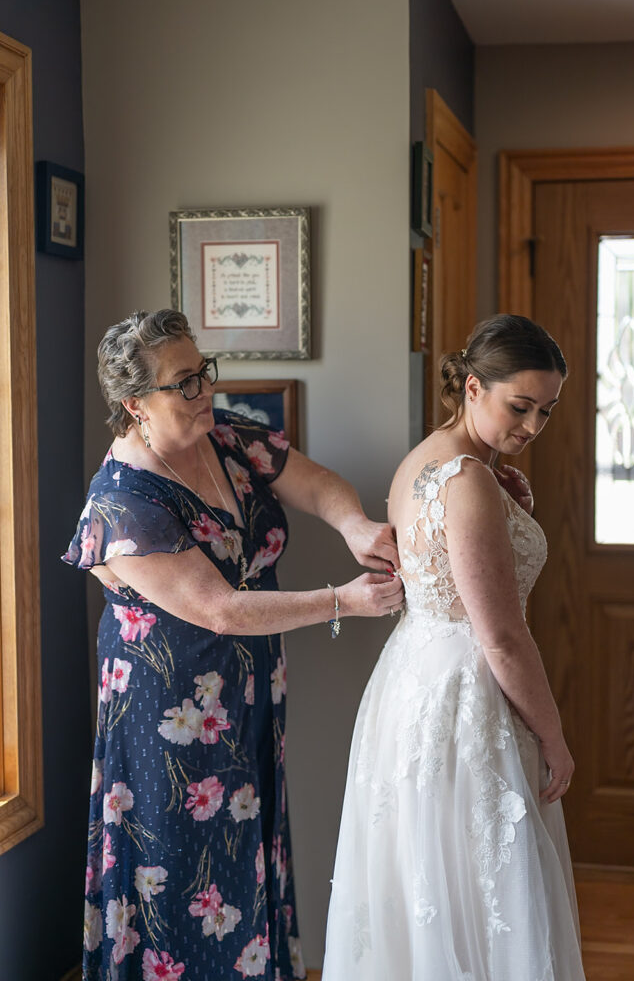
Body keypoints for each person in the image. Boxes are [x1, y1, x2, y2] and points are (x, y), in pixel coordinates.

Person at [63, 309, 405, 981]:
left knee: (248, 855)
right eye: (183, 384)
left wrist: (354, 524)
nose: (204, 393)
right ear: (135, 404)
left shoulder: (223, 439)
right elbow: (218, 609)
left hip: (247, 699)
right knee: (181, 876)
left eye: (203, 373)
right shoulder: (121, 502)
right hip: (169, 722)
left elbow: (312, 481)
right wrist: (344, 601)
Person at [322, 314, 586, 980]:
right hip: (462, 692)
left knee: (439, 886)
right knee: (475, 883)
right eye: (518, 407)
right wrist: (551, 735)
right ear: (472, 387)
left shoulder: (433, 458)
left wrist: (508, 508)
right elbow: (498, 634)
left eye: (545, 412)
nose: (530, 426)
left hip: (415, 677)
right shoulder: (466, 480)